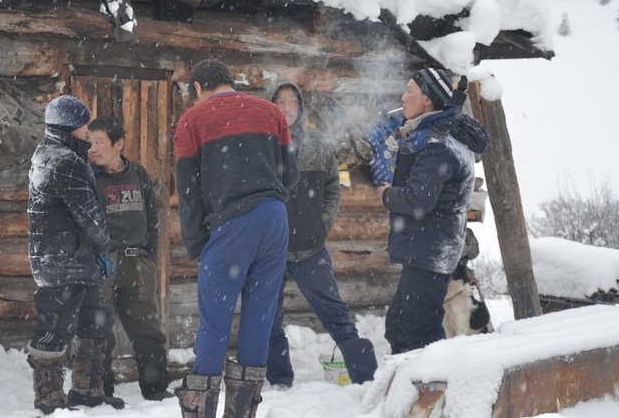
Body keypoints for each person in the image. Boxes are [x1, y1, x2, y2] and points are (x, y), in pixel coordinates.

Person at [174, 60, 299, 418]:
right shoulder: (272, 112)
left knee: (215, 324)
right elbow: (290, 174)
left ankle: (201, 411)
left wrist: (197, 242)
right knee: (259, 320)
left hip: (230, 226)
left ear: (198, 87)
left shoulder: (192, 121)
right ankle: (242, 412)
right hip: (275, 221)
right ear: (230, 81)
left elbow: (187, 190)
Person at [263, 79, 377, 387]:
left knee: (335, 312)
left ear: (301, 106)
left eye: (292, 101)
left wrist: (322, 224)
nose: (287, 108)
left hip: (310, 248)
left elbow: (332, 188)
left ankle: (365, 377)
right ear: (270, 104)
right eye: (280, 101)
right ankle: (279, 379)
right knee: (269, 317)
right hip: (271, 249)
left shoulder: (319, 143)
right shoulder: (260, 145)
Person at [373, 68, 489, 355]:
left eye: (409, 90)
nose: (403, 96)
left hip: (431, 248)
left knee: (418, 331)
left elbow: (419, 200)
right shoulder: (439, 132)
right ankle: (409, 390)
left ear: (426, 100)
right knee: (399, 326)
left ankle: (432, 393)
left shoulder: (438, 143)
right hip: (428, 248)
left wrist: (387, 194)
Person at [26, 95, 125, 413]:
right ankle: (49, 396)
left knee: (92, 321)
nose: (88, 129)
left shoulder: (47, 153)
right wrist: (103, 247)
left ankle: (88, 391)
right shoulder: (66, 161)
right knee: (55, 325)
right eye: (84, 123)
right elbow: (90, 216)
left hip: (63, 257)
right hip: (65, 259)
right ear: (72, 126)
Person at [88, 115, 174, 401]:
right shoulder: (89, 176)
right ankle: (103, 391)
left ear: (119, 144)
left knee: (148, 331)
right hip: (103, 264)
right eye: (90, 142)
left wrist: (150, 256)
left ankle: (156, 388)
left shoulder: (138, 173)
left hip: (138, 264)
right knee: (100, 332)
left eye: (99, 142)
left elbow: (152, 217)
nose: (93, 149)